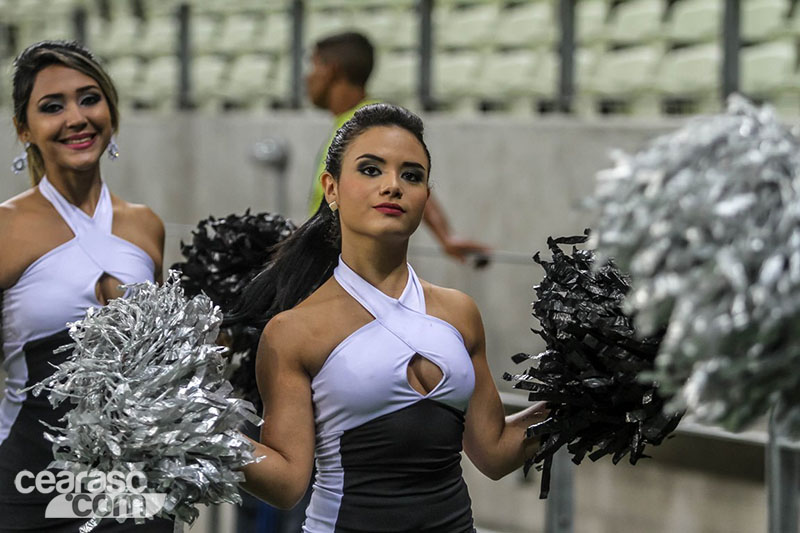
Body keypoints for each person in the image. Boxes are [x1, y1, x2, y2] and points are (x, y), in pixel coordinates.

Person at [238, 103, 547, 532]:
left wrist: (586, 401)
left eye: (411, 175)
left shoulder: (459, 312)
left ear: (425, 196)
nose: (393, 186)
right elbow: (288, 483)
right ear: (331, 189)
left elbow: (493, 452)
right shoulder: (293, 331)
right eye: (370, 170)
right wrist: (194, 433)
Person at [0, 41, 171, 531]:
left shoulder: (146, 226)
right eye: (52, 107)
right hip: (30, 484)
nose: (75, 117)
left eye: (89, 99)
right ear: (24, 129)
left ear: (111, 113)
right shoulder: (6, 229)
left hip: (136, 487)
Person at [306, 32, 491, 266]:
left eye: (312, 66)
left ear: (330, 69)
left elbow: (404, 179)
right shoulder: (349, 123)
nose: (307, 78)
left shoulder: (369, 123)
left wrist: (445, 236)